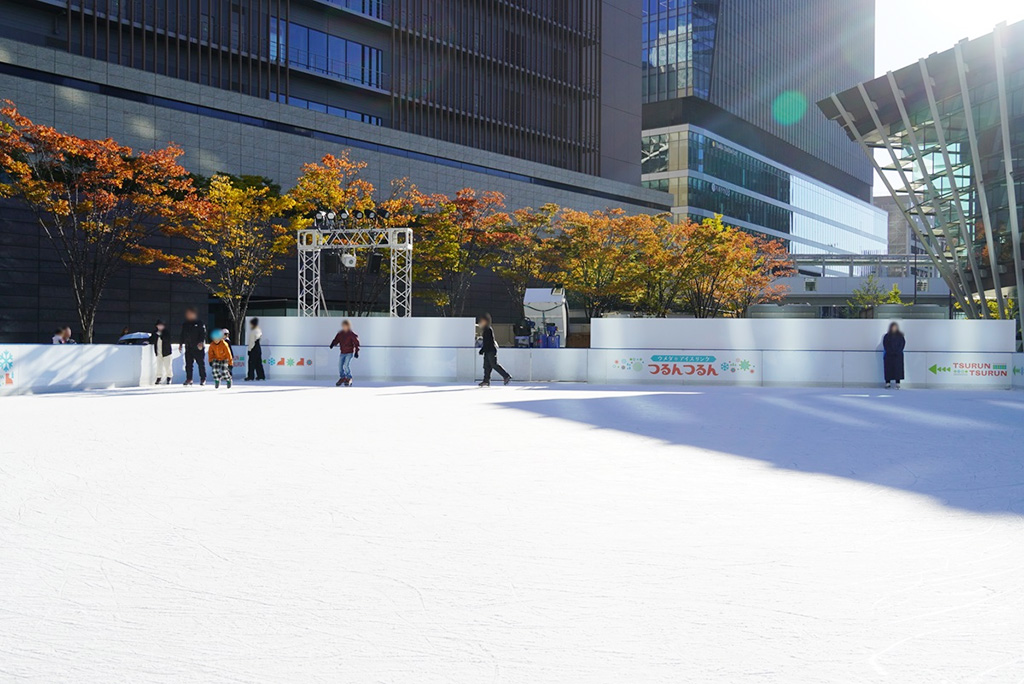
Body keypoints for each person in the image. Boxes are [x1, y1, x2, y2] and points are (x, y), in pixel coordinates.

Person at [477, 313, 511, 387]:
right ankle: (486, 381)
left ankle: (506, 376)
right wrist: (483, 350)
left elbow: (488, 342)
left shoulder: (488, 329)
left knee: (493, 364)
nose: (480, 322)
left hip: (491, 350)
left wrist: (482, 350)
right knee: (486, 366)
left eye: (482, 321)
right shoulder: (485, 329)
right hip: (487, 350)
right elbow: (486, 342)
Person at [179, 307, 207, 386]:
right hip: (188, 347)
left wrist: (201, 342)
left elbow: (203, 334)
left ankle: (203, 378)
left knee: (200, 364)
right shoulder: (185, 324)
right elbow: (182, 334)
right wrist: (181, 344)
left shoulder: (199, 323)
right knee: (188, 364)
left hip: (198, 347)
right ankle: (189, 379)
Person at [329, 319, 360, 387]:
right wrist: (333, 344)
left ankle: (349, 377)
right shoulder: (340, 333)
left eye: (345, 326)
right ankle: (343, 377)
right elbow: (336, 339)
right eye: (343, 326)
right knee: (340, 366)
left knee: (346, 365)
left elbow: (356, 343)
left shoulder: (351, 334)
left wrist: (356, 352)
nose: (344, 327)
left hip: (349, 352)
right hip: (342, 352)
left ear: (348, 326)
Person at [882, 322, 906, 389]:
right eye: (893, 327)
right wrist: (890, 351)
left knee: (898, 370)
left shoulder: (900, 336)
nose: (894, 328)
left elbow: (902, 344)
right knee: (888, 369)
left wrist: (898, 351)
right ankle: (887, 382)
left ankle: (897, 383)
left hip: (898, 356)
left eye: (895, 327)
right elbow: (885, 345)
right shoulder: (887, 336)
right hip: (889, 356)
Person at [152, 319, 173, 385]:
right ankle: (159, 378)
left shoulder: (166, 332)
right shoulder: (155, 332)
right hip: (159, 352)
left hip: (166, 352)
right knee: (159, 366)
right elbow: (152, 338)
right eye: (159, 325)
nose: (160, 327)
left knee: (168, 366)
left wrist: (161, 336)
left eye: (161, 325)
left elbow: (167, 339)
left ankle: (169, 377)